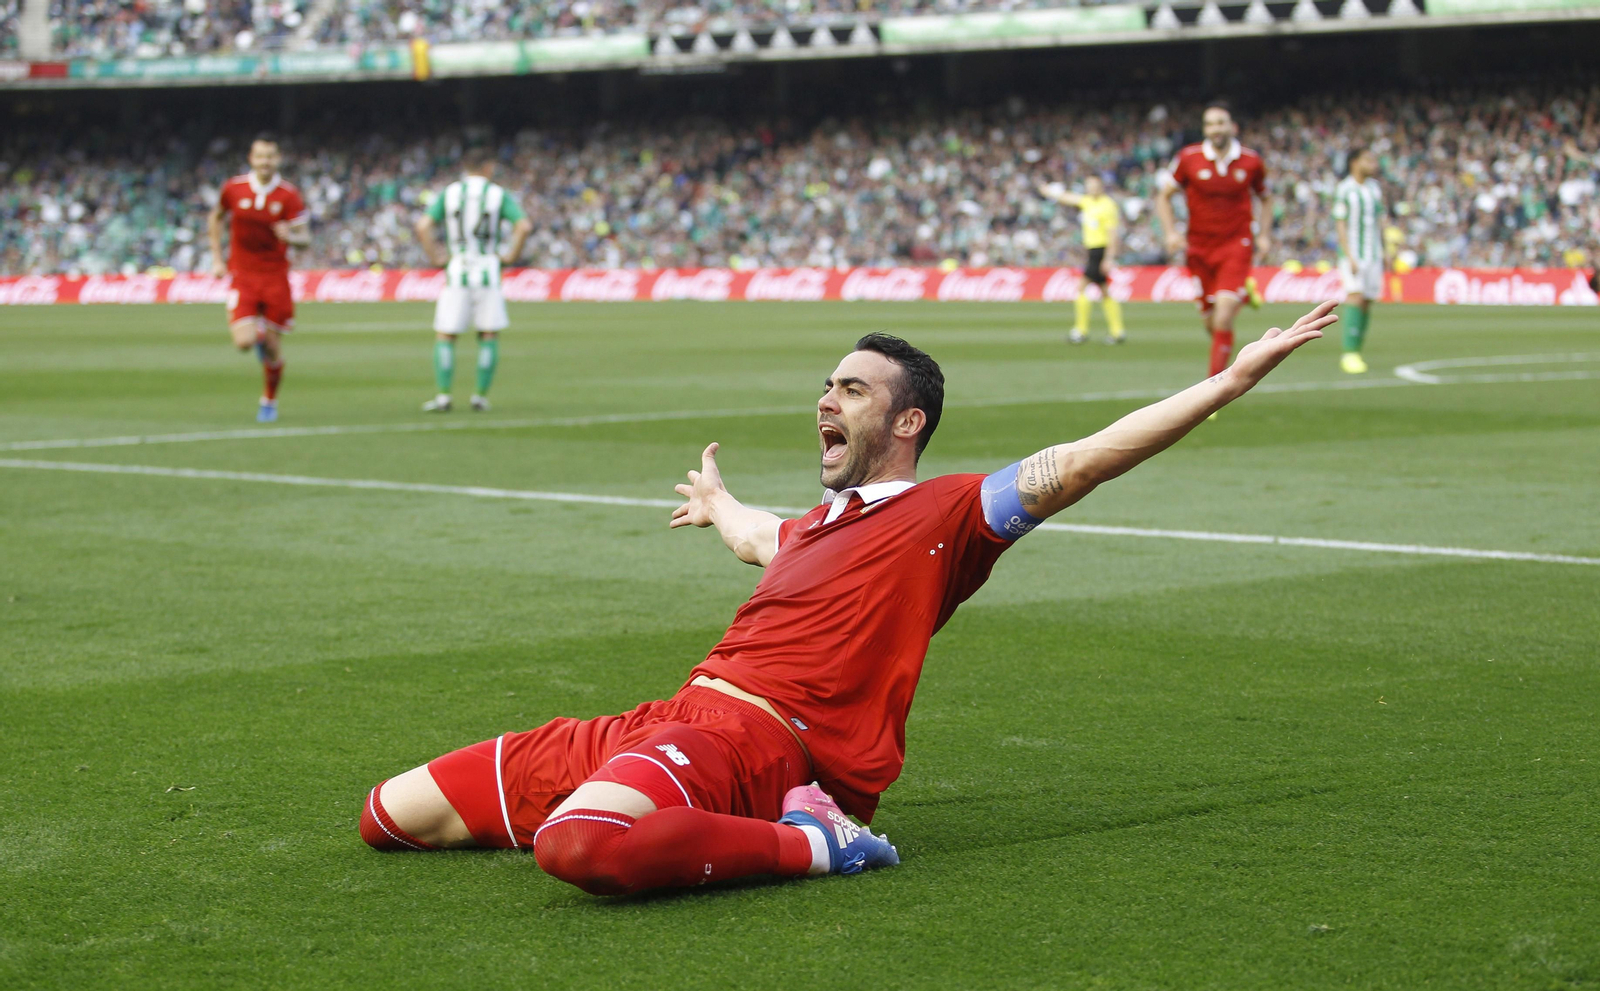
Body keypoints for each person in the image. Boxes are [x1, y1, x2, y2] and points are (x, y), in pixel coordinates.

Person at [359, 303, 1339, 896]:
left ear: (907, 419)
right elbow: (756, 539)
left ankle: (817, 842)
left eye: (854, 390)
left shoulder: (947, 513)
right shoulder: (808, 532)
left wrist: (1231, 378)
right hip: (669, 720)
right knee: (390, 815)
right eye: (827, 383)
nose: (827, 398)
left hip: (759, 744)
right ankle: (656, 812)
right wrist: (719, 503)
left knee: (582, 845)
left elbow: (1080, 461)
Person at [1155, 104, 1273, 378]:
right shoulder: (1188, 158)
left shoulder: (1251, 161)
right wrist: (1171, 232)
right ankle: (1244, 292)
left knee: (1223, 317)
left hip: (1236, 244)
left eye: (1221, 123)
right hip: (1198, 248)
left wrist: (1264, 235)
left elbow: (1266, 198)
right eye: (1210, 124)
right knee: (1211, 323)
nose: (1216, 129)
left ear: (1233, 127)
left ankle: (1214, 386)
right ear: (1204, 129)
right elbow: (1163, 196)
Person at [413, 146, 534, 413]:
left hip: (457, 270)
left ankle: (444, 396)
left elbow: (423, 226)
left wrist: (436, 257)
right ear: (488, 167)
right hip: (488, 270)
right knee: (488, 334)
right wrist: (510, 254)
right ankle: (479, 396)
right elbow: (523, 226)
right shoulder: (497, 194)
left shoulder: (450, 193)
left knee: (446, 335)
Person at [207, 133, 310, 423]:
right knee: (244, 342)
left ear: (277, 159)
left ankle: (269, 400)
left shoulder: (288, 195)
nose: (265, 162)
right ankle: (259, 336)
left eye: (270, 156)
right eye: (260, 156)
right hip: (243, 275)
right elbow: (215, 218)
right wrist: (216, 257)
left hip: (276, 277)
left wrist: (291, 237)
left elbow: (306, 238)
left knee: (274, 348)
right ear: (252, 159)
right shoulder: (234, 189)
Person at [1038, 175, 1126, 345]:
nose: (1090, 188)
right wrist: (1048, 191)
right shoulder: (1088, 201)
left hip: (1100, 251)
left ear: (1101, 186)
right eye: (1088, 185)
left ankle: (1081, 331)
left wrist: (1109, 258)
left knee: (1081, 288)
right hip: (1093, 251)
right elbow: (1068, 198)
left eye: (1093, 185)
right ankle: (1117, 331)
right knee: (1104, 291)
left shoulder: (1107, 205)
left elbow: (1112, 234)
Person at [1331, 146, 1386, 374]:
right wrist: (1348, 254)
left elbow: (1380, 219)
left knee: (1367, 300)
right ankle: (1349, 353)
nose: (1374, 164)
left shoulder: (1374, 188)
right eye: (1368, 159)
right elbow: (1340, 223)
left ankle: (1357, 350)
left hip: (1374, 254)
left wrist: (1387, 249)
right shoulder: (1345, 189)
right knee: (1355, 296)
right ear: (1354, 162)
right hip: (1353, 254)